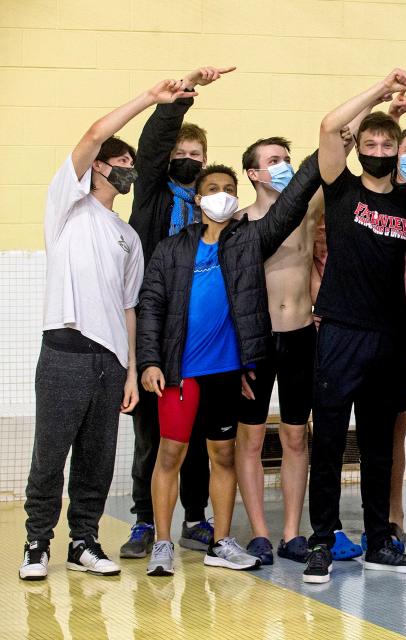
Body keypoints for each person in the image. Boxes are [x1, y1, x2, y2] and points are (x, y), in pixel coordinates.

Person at [19, 79, 183, 581]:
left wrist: (132, 371)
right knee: (50, 455)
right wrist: (150, 100)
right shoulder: (66, 208)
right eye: (123, 163)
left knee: (98, 459)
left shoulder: (128, 237)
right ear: (99, 167)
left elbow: (129, 308)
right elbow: (94, 133)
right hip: (64, 351)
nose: (131, 171)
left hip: (110, 362)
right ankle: (37, 543)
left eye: (134, 165)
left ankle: (83, 542)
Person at [137, 152, 322, 576]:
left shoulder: (248, 241)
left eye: (228, 189)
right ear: (198, 200)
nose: (221, 196)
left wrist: (328, 145)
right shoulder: (171, 250)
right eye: (212, 190)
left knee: (223, 456)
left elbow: (292, 202)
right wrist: (149, 361)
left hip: (226, 373)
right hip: (180, 375)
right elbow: (151, 307)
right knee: (170, 455)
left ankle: (221, 542)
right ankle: (162, 543)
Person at [303, 68, 406, 585]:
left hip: (391, 338)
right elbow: (331, 126)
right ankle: (322, 541)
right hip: (340, 331)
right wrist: (383, 89)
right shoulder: (341, 187)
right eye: (369, 141)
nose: (376, 147)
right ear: (360, 149)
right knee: (328, 441)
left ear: (398, 149)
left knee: (380, 445)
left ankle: (380, 540)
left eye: (386, 142)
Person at [123, 65, 235, 560]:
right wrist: (180, 99)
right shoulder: (152, 196)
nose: (188, 161)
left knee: (196, 433)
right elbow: (150, 149)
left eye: (197, 156)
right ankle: (146, 521)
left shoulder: (213, 209)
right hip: (155, 326)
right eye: (181, 155)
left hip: (205, 340)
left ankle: (195, 516)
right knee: (154, 434)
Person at [233, 136, 319, 566]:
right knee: (249, 439)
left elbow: (331, 154)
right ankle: (260, 534)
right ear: (253, 173)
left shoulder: (306, 211)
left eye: (287, 159)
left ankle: (291, 532)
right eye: (273, 161)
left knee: (295, 435)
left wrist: (385, 109)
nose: (283, 166)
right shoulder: (238, 222)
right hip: (257, 342)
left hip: (301, 332)